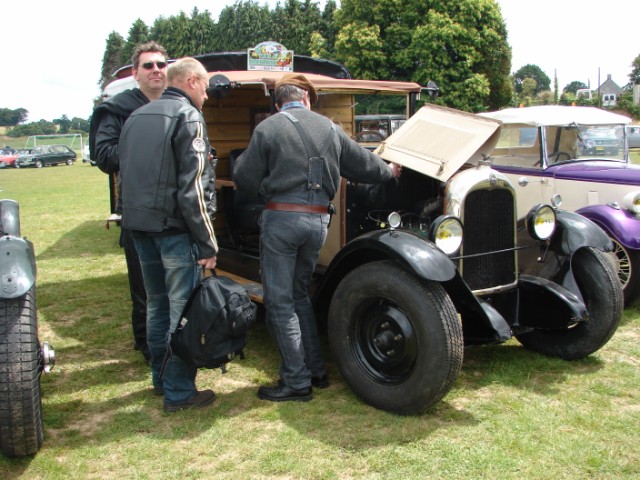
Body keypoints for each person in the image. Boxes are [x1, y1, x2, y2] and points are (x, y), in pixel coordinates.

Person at [233, 73, 402, 402]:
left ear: (278, 103)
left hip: (281, 220)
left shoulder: (268, 128)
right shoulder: (330, 128)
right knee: (299, 296)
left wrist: (266, 184)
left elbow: (244, 178)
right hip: (318, 223)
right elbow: (367, 167)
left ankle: (296, 382)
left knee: (280, 304)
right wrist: (390, 169)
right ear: (307, 99)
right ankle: (316, 372)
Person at [118, 57, 218, 413]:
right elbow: (193, 187)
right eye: (205, 87)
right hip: (174, 230)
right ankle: (178, 391)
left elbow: (124, 175)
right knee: (181, 312)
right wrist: (208, 243)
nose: (206, 95)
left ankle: (161, 381)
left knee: (158, 307)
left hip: (139, 227)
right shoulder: (188, 117)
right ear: (192, 81)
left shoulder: (135, 117)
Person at [89, 41, 169, 364]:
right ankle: (147, 345)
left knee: (174, 284)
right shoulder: (119, 109)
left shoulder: (176, 104)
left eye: (161, 65)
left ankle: (174, 343)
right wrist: (143, 147)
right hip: (137, 211)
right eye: (148, 65)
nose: (156, 70)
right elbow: (104, 156)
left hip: (174, 211)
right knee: (145, 288)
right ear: (136, 73)